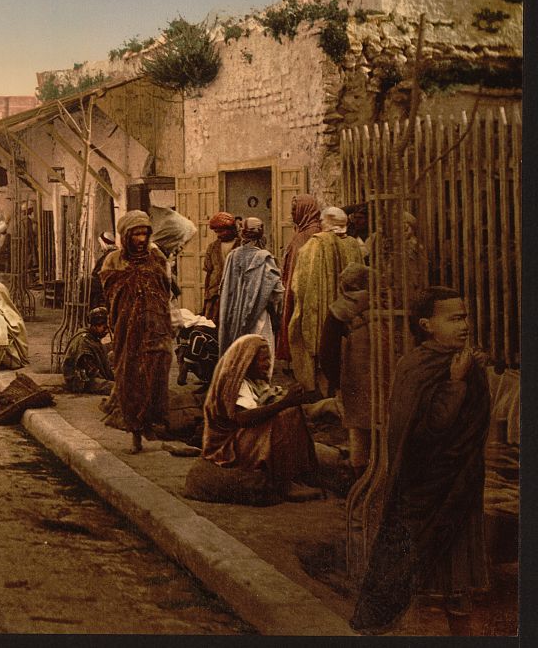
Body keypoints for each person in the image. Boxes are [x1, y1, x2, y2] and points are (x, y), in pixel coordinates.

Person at [350, 287, 489, 636]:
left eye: (465, 317)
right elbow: (426, 432)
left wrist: (470, 376)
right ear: (427, 325)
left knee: (456, 581)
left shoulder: (465, 362)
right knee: (414, 572)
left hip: (459, 483)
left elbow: (475, 424)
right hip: (425, 486)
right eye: (454, 319)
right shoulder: (415, 367)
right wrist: (456, 383)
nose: (465, 326)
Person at [201, 334, 321, 501]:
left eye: (269, 359)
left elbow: (266, 399)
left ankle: (299, 475)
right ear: (248, 360)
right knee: (282, 418)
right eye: (263, 360)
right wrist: (283, 403)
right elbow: (242, 419)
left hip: (240, 436)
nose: (268, 364)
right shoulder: (236, 382)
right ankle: (284, 483)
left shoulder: (254, 380)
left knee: (291, 412)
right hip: (227, 446)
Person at [99, 210, 174, 454]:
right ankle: (135, 434)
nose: (141, 239)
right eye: (136, 234)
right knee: (130, 378)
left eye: (145, 233)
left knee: (157, 375)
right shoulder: (113, 261)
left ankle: (152, 423)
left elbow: (166, 288)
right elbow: (109, 293)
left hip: (156, 326)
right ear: (125, 236)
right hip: (127, 329)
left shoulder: (156, 256)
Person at [287, 206, 365, 391]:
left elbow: (301, 280)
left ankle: (320, 389)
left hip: (322, 309)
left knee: (322, 343)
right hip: (347, 308)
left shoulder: (316, 243)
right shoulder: (353, 243)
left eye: (322, 220)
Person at [319, 263, 372, 478]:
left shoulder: (339, 310)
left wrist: (335, 382)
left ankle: (361, 478)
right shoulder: (386, 304)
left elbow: (327, 351)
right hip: (386, 377)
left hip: (354, 379)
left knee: (358, 431)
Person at [217, 217, 284, 375]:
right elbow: (276, 293)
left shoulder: (233, 256)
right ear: (260, 234)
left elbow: (224, 287)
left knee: (239, 354)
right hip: (259, 316)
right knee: (261, 354)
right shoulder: (264, 257)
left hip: (234, 316)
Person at [276, 194, 322, 363]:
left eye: (295, 209)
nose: (292, 213)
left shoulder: (313, 234)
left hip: (303, 288)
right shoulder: (301, 232)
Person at [62, 307, 115, 395]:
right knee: (115, 388)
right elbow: (91, 371)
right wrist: (107, 377)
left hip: (91, 375)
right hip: (82, 379)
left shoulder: (93, 337)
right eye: (103, 327)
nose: (105, 331)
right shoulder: (84, 341)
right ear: (94, 326)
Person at [202, 212, 240, 323]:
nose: (219, 235)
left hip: (234, 295)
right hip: (215, 295)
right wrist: (207, 295)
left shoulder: (242, 246)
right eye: (216, 232)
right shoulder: (212, 247)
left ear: (231, 229)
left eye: (222, 231)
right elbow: (209, 273)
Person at [88, 231, 118, 310]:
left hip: (105, 283)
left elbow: (103, 271)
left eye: (101, 244)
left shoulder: (110, 255)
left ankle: (94, 310)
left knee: (88, 284)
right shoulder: (112, 253)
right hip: (106, 281)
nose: (100, 247)